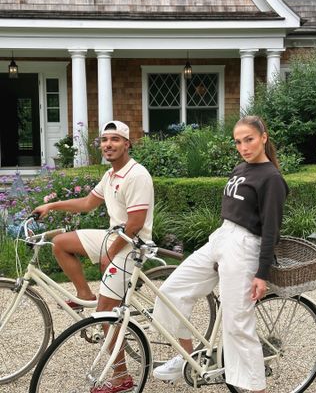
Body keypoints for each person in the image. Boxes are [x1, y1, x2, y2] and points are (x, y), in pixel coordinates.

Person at [152, 115, 288, 393]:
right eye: (238, 142)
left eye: (249, 139)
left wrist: (261, 274)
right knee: (171, 293)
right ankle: (186, 357)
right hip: (222, 237)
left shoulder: (271, 178)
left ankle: (255, 388)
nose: (244, 146)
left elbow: (271, 230)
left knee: (237, 324)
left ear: (263, 137)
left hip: (246, 245)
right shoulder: (240, 168)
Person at [33, 120, 154, 393]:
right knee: (60, 243)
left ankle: (122, 376)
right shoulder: (110, 175)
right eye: (104, 140)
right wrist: (51, 205)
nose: (108, 144)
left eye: (115, 139)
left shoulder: (137, 175)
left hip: (132, 246)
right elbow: (88, 203)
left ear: (127, 144)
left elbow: (135, 224)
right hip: (114, 236)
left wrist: (109, 255)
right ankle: (85, 294)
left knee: (105, 314)